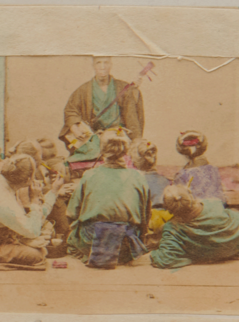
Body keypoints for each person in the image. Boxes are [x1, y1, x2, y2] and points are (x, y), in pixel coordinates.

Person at [66, 129, 151, 269]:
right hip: (125, 246)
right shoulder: (138, 177)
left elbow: (71, 213)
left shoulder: (89, 175)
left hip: (91, 244)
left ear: (102, 149)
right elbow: (145, 218)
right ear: (126, 150)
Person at [150, 185, 239, 269]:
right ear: (190, 195)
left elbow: (165, 259)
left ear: (169, 210)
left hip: (224, 246)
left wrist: (154, 253)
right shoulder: (213, 203)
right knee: (235, 215)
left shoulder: (173, 229)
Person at [58, 56, 145, 154]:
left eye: (106, 62)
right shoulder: (83, 90)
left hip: (118, 135)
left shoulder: (123, 87)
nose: (102, 67)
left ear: (111, 65)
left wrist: (133, 91)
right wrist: (75, 129)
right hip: (94, 137)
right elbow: (70, 110)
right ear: (93, 65)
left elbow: (132, 113)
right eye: (98, 63)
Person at [129, 139, 172, 244]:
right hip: (165, 226)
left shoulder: (133, 181)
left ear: (134, 161)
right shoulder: (166, 181)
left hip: (146, 228)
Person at [173, 130, 226, 203]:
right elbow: (222, 199)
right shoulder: (214, 170)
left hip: (197, 211)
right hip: (218, 210)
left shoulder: (181, 175)